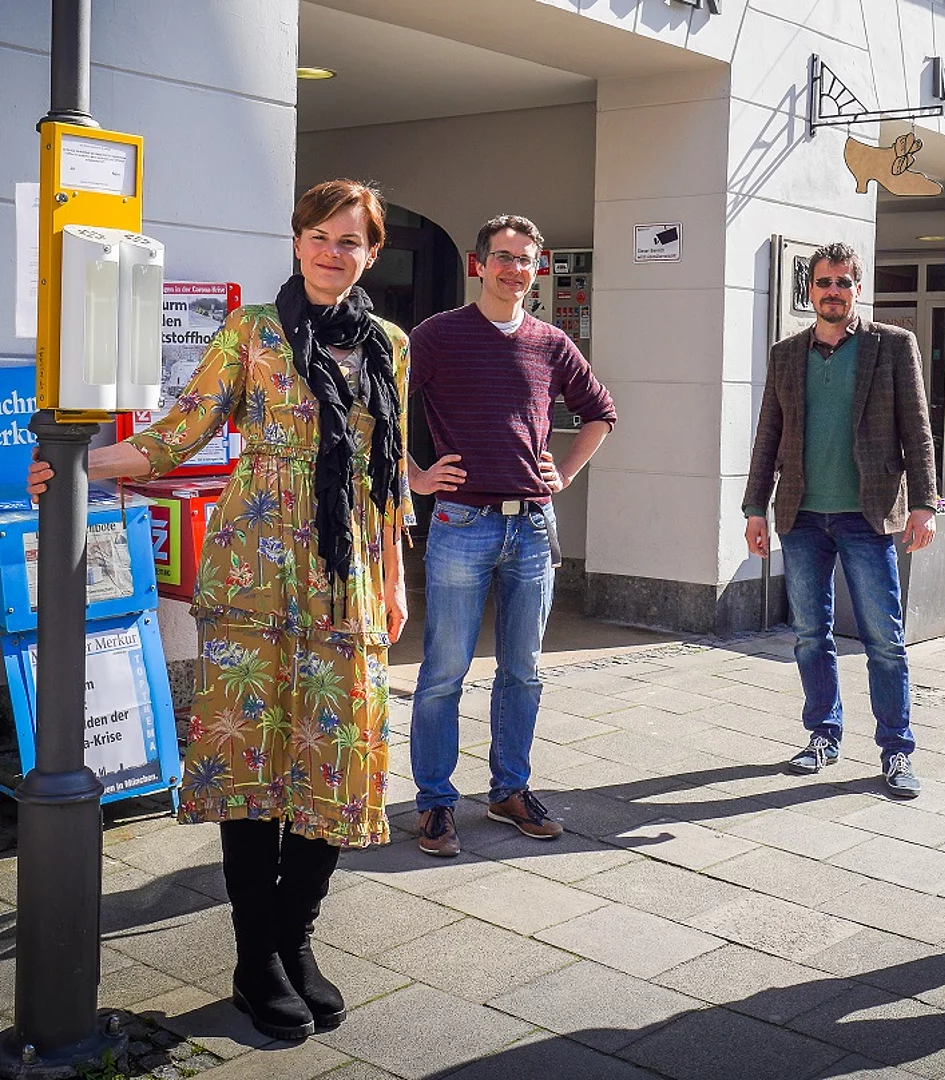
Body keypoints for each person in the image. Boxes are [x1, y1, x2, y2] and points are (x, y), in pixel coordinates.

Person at [29, 180, 411, 1040]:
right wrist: (81, 463)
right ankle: (256, 959)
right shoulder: (252, 331)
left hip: (344, 571)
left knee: (334, 755)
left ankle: (296, 939)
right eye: (319, 236)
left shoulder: (391, 344)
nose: (332, 253)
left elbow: (388, 466)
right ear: (297, 240)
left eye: (349, 241)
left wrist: (392, 576)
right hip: (253, 574)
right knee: (252, 761)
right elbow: (182, 431)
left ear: (371, 253)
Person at [407, 214, 615, 853]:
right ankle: (435, 803)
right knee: (444, 671)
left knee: (522, 671)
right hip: (460, 524)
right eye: (502, 256)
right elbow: (377, 410)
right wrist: (416, 477)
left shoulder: (551, 342)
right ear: (479, 264)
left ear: (537, 267)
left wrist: (564, 473)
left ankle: (509, 790)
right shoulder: (437, 335)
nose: (514, 269)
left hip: (531, 527)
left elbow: (600, 412)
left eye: (525, 259)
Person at [743, 242, 939, 799]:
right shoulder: (787, 354)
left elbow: (917, 428)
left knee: (885, 640)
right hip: (801, 515)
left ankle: (897, 750)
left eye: (843, 282)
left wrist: (925, 503)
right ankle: (823, 735)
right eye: (824, 283)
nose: (833, 292)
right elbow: (768, 434)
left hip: (866, 515)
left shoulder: (892, 345)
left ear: (858, 287)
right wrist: (755, 507)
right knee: (810, 635)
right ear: (810, 289)